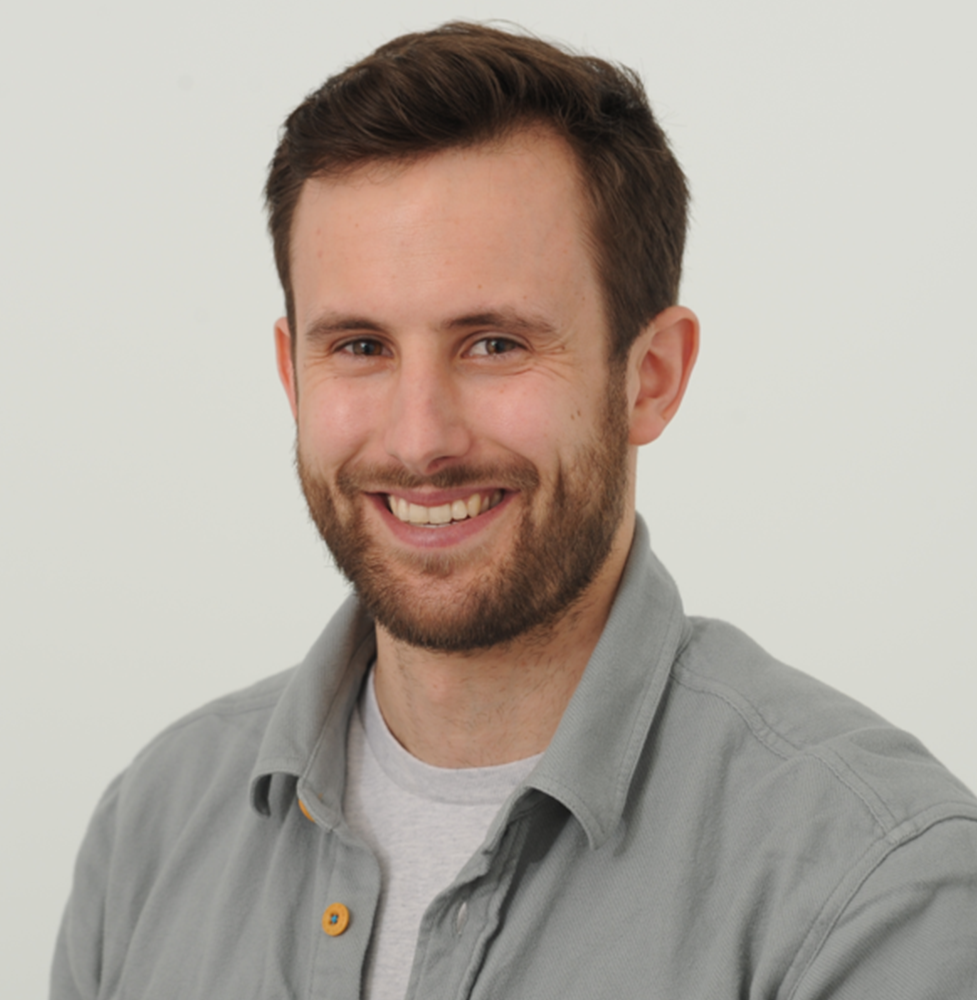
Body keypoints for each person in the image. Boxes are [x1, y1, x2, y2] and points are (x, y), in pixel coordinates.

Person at [52, 22, 977, 1000]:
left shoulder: (871, 882)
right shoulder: (151, 828)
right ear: (292, 374)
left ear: (650, 377)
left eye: (492, 344)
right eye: (361, 346)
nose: (419, 439)